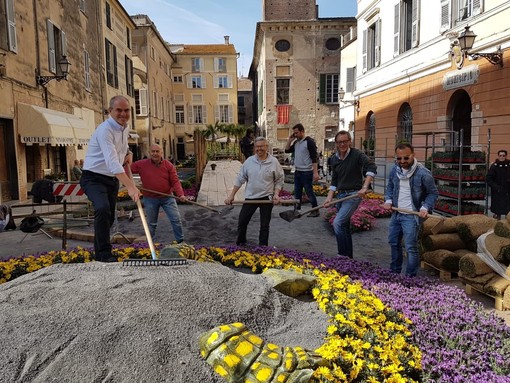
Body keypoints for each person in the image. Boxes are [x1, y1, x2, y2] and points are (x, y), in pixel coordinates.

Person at [80, 96, 140, 263]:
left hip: (110, 180)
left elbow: (122, 149)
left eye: (126, 110)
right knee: (102, 208)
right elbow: (113, 163)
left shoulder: (124, 128)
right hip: (93, 177)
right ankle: (103, 255)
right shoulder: (104, 130)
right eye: (119, 110)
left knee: (109, 217)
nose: (123, 114)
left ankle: (102, 249)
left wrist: (128, 153)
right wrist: (130, 187)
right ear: (110, 111)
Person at [382, 143, 438, 277]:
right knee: (393, 242)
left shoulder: (423, 173)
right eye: (399, 158)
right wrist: (388, 200)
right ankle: (394, 271)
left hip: (411, 216)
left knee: (410, 247)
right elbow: (390, 187)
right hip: (396, 213)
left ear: (413, 155)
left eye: (406, 158)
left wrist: (425, 207)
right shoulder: (395, 170)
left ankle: (410, 278)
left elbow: (433, 193)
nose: (402, 162)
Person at [324, 131, 377, 258]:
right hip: (340, 196)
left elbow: (371, 167)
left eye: (345, 141)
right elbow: (334, 181)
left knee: (338, 223)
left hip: (353, 195)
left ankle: (341, 255)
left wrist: (365, 187)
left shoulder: (357, 154)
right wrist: (329, 197)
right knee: (345, 227)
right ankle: (348, 258)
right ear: (336, 143)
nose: (342, 144)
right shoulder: (334, 158)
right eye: (339, 142)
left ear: (349, 141)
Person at [225, 137, 284, 246]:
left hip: (267, 197)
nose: (259, 149)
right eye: (257, 146)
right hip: (251, 197)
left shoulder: (274, 162)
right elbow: (240, 179)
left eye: (262, 146)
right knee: (242, 221)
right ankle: (241, 243)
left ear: (266, 147)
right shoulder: (249, 161)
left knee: (265, 225)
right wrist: (231, 195)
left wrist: (276, 194)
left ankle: (263, 248)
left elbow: (279, 179)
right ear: (254, 148)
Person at [131, 144, 187, 242]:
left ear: (162, 153)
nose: (155, 153)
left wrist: (180, 194)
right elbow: (127, 169)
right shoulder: (141, 164)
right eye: (153, 151)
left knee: (176, 219)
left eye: (157, 151)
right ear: (149, 153)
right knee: (151, 223)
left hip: (167, 197)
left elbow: (175, 181)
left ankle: (180, 241)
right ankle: (150, 243)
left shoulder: (168, 165)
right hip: (150, 198)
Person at [284, 123, 320, 216]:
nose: (295, 135)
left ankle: (315, 210)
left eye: (297, 133)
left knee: (309, 191)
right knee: (297, 192)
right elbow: (287, 150)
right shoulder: (296, 142)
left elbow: (314, 157)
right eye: (294, 133)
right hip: (298, 171)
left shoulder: (309, 142)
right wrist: (289, 140)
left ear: (302, 131)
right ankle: (297, 210)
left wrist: (315, 173)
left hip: (307, 172)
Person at [487, 150, 510, 220]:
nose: (502, 157)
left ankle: (507, 218)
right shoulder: (494, 166)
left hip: (508, 190)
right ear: (498, 156)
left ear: (506, 156)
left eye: (503, 155)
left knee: (508, 206)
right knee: (497, 206)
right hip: (497, 190)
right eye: (500, 155)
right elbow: (489, 178)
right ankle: (497, 217)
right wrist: (496, 187)